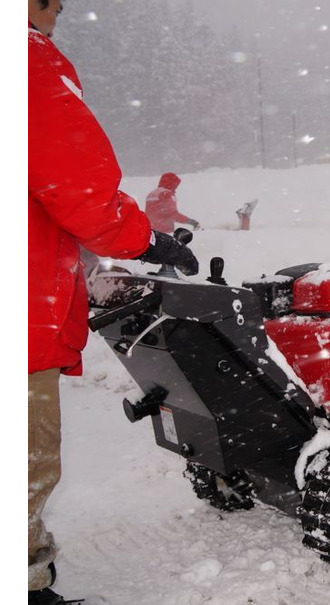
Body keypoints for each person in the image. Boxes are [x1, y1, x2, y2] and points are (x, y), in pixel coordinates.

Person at [28, 2, 199, 603]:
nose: (56, 18)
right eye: (55, 5)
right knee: (20, 467)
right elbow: (76, 189)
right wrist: (149, 244)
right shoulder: (20, 57)